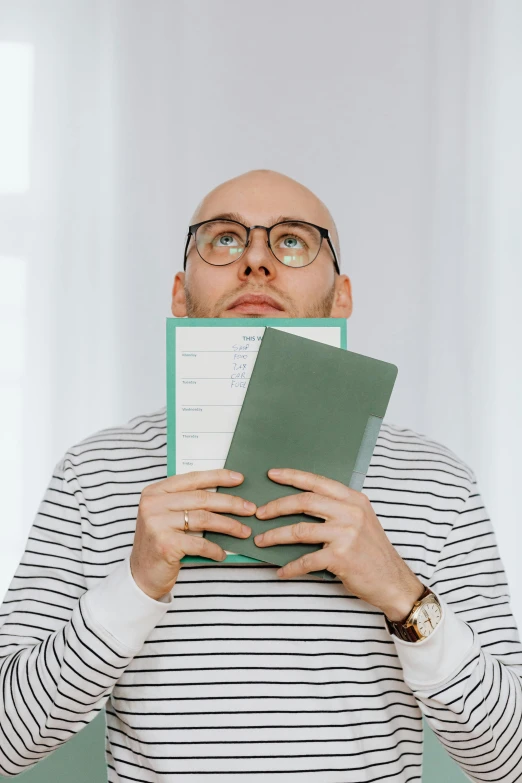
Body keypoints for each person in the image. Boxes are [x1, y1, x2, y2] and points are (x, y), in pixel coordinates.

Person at [0, 169, 520, 782]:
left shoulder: (438, 481)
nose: (254, 260)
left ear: (342, 295)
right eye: (223, 239)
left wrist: (402, 593)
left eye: (293, 241)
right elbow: (8, 741)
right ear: (178, 292)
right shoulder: (95, 472)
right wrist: (134, 586)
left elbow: (506, 759)